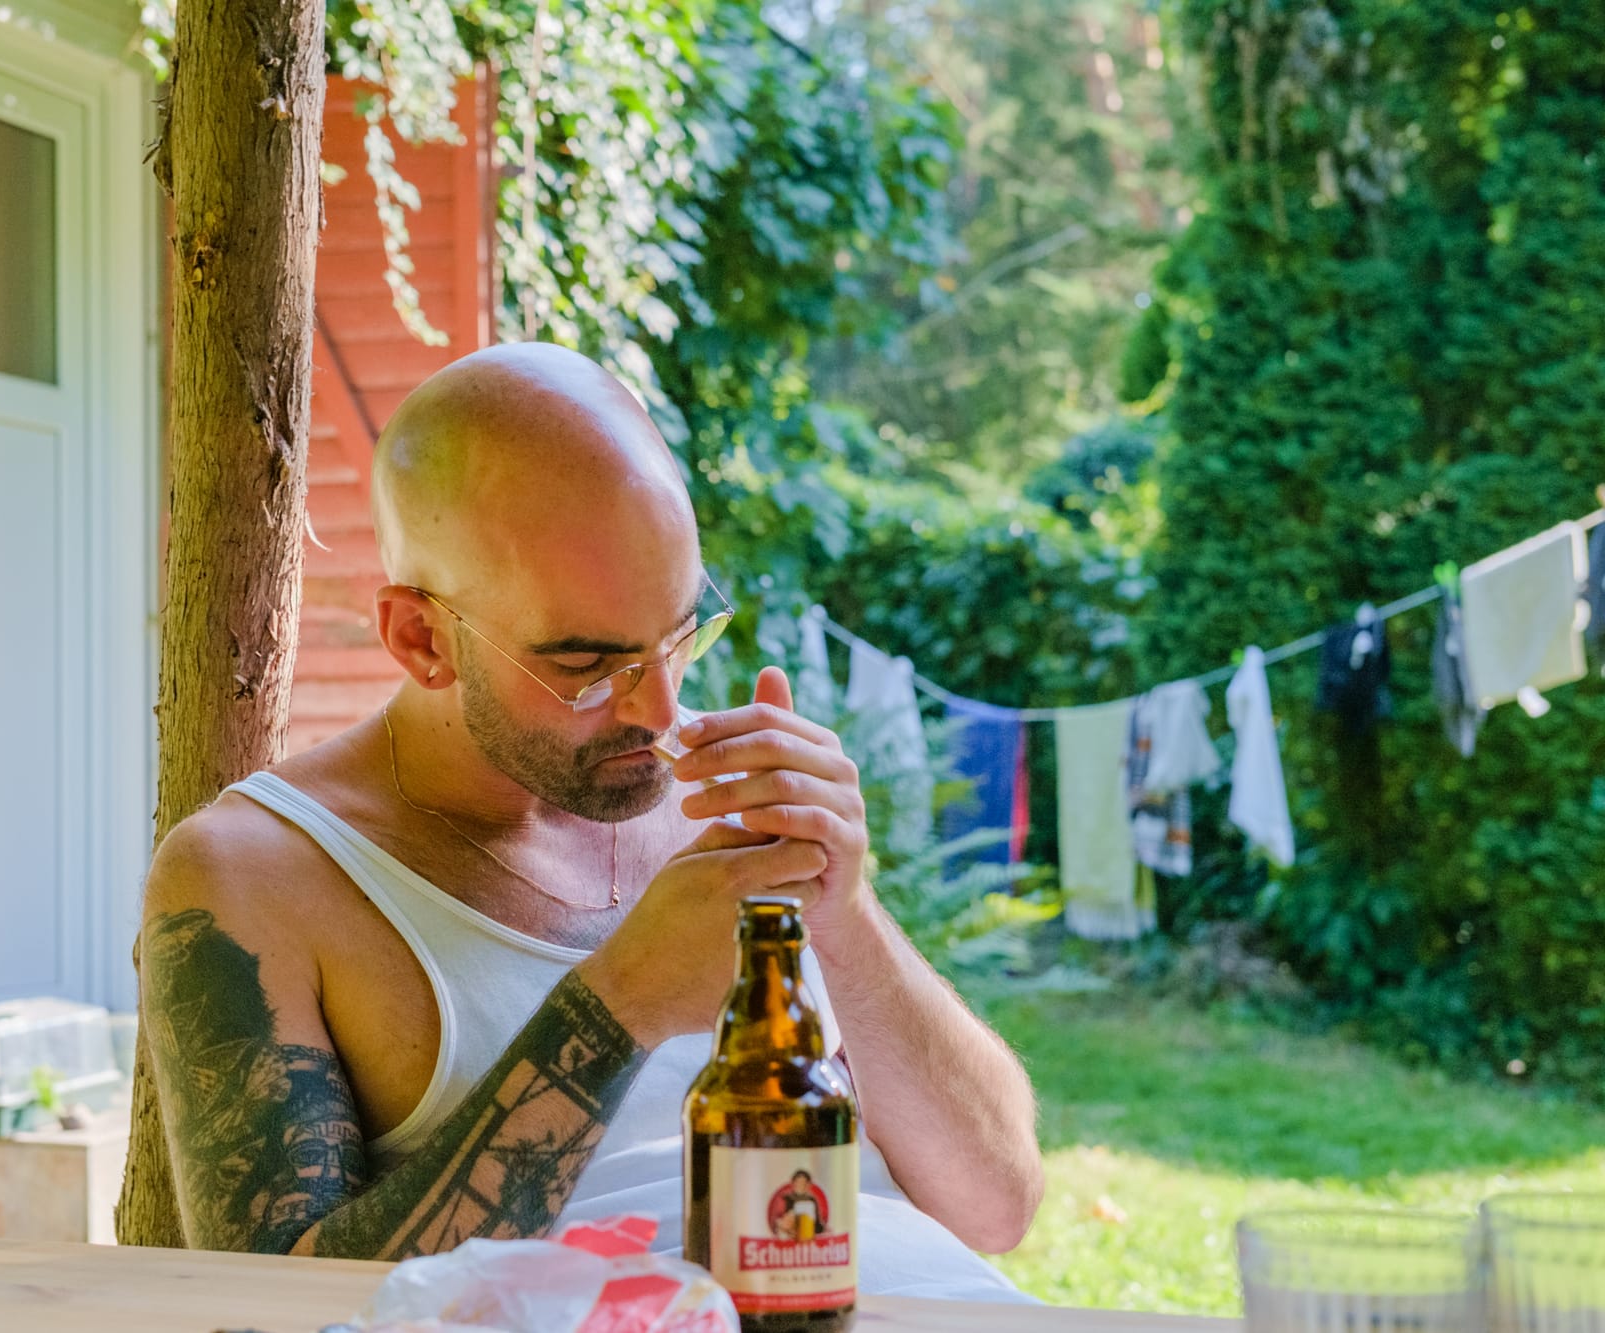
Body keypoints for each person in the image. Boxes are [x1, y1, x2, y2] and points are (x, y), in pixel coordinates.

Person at [138, 343, 1042, 1302]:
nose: (660, 709)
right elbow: (276, 1307)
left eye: (681, 634)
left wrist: (845, 910)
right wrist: (618, 1008)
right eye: (586, 666)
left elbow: (997, 1206)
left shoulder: (732, 799)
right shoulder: (259, 873)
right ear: (422, 638)